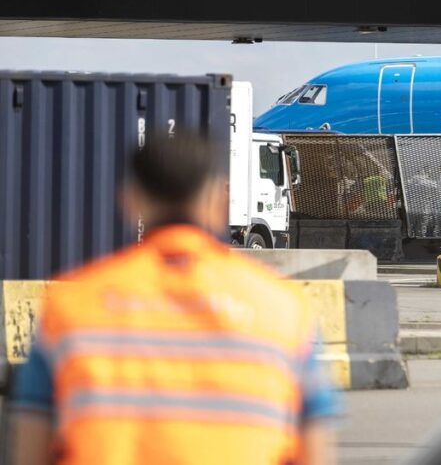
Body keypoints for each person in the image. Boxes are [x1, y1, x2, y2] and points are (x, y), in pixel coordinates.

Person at [7, 132, 339, 465]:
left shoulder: (70, 305)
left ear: (129, 200)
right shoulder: (285, 308)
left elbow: (32, 447)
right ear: (219, 201)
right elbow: (313, 450)